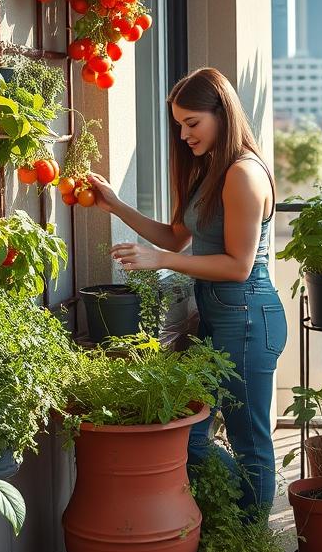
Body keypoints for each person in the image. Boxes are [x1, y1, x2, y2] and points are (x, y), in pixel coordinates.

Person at [88, 67, 286, 509]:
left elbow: (238, 265)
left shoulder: (243, 174)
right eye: (179, 125)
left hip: (248, 318)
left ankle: (250, 551)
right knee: (191, 435)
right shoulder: (209, 170)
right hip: (217, 318)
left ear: (222, 114)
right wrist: (116, 205)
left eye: (191, 123)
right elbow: (176, 236)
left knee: (248, 439)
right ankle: (230, 524)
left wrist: (161, 261)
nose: (183, 135)